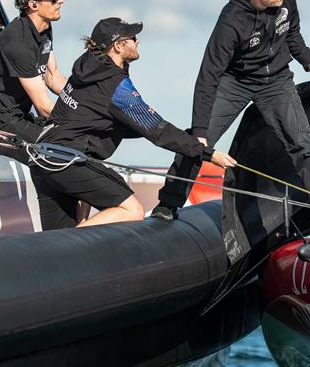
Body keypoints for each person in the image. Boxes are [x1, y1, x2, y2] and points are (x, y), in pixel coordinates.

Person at [153, 0, 310, 220]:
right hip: (234, 82)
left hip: (276, 82)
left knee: (303, 144)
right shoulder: (231, 21)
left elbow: (293, 33)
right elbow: (208, 75)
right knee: (195, 142)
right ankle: (167, 205)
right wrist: (200, 130)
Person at [31, 18, 235, 230]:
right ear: (118, 46)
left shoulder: (86, 68)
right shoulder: (115, 84)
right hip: (66, 162)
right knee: (132, 211)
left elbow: (115, 123)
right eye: (133, 38)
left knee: (56, 242)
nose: (138, 42)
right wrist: (206, 152)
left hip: (42, 159)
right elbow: (157, 130)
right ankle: (77, 237)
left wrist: (180, 140)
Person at [0, 0, 68, 159]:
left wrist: (87, 104)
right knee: (59, 150)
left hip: (15, 117)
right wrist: (81, 118)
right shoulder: (18, 41)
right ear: (33, 5)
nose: (61, 1)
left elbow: (53, 78)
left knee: (75, 143)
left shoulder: (43, 30)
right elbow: (44, 107)